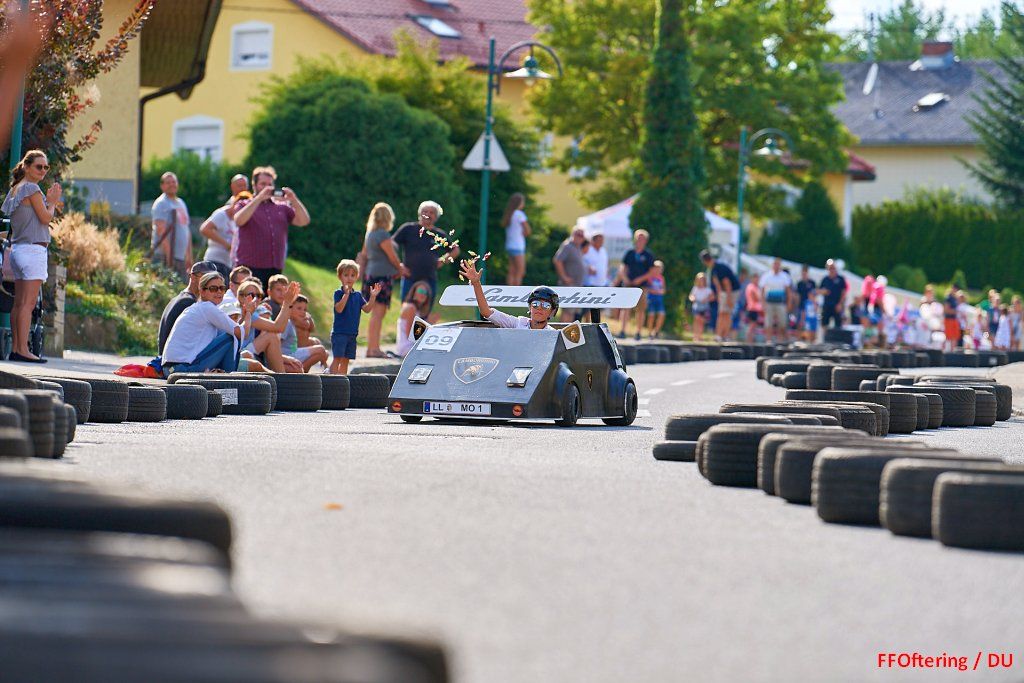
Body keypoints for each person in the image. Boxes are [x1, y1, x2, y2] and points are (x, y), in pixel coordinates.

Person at [1, 149, 61, 363]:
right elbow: (45, 218)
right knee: (28, 304)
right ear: (26, 167)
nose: (43, 170)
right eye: (39, 166)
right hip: (32, 250)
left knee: (19, 303)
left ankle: (17, 349)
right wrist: (52, 202)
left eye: (46, 167)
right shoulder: (31, 188)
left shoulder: (15, 189)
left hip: (18, 250)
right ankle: (23, 350)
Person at [232, 165, 311, 290]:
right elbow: (239, 220)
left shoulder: (282, 206)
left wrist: (294, 200)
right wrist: (259, 199)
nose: (267, 188)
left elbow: (304, 221)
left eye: (270, 184)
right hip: (249, 267)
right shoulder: (244, 203)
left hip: (274, 269)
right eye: (263, 184)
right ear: (254, 185)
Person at [161, 273, 254, 377]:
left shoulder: (199, 307)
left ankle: (222, 375)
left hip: (171, 369)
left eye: (222, 288)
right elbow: (242, 333)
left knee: (229, 336)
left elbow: (238, 330)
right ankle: (228, 380)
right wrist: (249, 313)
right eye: (213, 288)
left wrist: (244, 315)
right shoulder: (208, 308)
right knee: (230, 337)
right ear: (202, 291)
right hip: (181, 368)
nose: (219, 292)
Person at [358, 202, 406, 358]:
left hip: (371, 275)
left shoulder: (370, 234)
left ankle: (371, 348)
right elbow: (392, 257)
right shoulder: (382, 235)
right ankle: (374, 349)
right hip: (381, 276)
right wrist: (401, 269)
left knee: (375, 314)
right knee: (379, 313)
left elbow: (364, 255)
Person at [392, 200, 459, 307]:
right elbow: (391, 245)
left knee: (425, 311)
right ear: (420, 213)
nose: (428, 214)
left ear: (436, 217)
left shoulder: (439, 234)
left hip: (429, 278)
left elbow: (455, 250)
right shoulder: (408, 229)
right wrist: (398, 266)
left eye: (431, 212)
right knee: (407, 309)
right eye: (425, 211)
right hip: (409, 277)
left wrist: (442, 260)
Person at [460, 259, 556, 330]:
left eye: (546, 305)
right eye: (535, 304)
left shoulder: (553, 334)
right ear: (530, 307)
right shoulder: (517, 324)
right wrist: (476, 283)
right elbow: (486, 312)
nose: (539, 308)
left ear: (552, 312)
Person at [157, 260, 220, 356]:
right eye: (206, 277)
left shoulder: (181, 298)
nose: (211, 282)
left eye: (214, 278)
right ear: (193, 277)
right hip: (176, 360)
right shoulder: (187, 302)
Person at [330, 260, 382, 375]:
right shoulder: (338, 293)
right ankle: (331, 379)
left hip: (352, 334)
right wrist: (346, 295)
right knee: (337, 358)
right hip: (339, 333)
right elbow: (339, 309)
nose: (349, 278)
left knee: (346, 360)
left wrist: (372, 297)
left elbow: (367, 309)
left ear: (356, 277)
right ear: (340, 276)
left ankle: (342, 381)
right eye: (346, 275)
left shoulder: (358, 295)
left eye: (352, 275)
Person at [244, 277, 303, 373]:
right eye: (251, 295)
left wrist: (289, 303)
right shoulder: (263, 309)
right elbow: (278, 328)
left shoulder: (258, 310)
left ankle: (279, 377)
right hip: (244, 354)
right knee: (272, 336)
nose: (255, 299)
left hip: (256, 353)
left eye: (259, 296)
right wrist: (288, 302)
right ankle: (280, 377)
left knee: (296, 368)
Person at [200, 186, 250, 280]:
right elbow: (205, 229)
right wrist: (227, 245)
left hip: (228, 264)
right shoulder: (222, 214)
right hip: (214, 260)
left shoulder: (238, 220)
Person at [150, 172, 192, 278]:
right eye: (168, 183)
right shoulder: (161, 203)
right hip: (164, 256)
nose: (172, 185)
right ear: (162, 186)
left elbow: (186, 230)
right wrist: (169, 258)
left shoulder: (181, 203)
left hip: (180, 257)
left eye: (174, 182)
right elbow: (161, 231)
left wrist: (189, 257)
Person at [619, 230, 656, 339]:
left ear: (646, 241)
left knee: (641, 309)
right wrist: (625, 278)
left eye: (642, 239)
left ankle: (638, 332)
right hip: (628, 285)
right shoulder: (630, 253)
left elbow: (652, 272)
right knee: (625, 308)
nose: (640, 241)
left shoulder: (648, 255)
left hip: (642, 286)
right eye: (638, 238)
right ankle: (622, 330)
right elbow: (623, 267)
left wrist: (640, 279)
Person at [700, 249, 739, 341]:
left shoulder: (719, 268)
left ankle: (723, 335)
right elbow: (717, 285)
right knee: (722, 313)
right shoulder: (713, 269)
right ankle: (720, 335)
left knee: (726, 313)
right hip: (725, 292)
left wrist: (728, 299)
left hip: (731, 291)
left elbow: (727, 284)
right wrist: (719, 296)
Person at [281, 295, 329, 372]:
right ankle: (300, 371)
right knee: (321, 350)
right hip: (288, 354)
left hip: (294, 350)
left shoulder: (301, 321)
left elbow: (312, 328)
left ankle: (303, 371)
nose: (303, 312)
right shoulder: (287, 322)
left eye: (305, 309)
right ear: (290, 308)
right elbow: (277, 343)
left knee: (318, 345)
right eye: (299, 308)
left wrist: (309, 318)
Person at [553, 227, 587, 322]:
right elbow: (557, 260)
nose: (580, 237)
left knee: (572, 312)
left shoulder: (578, 247)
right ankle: (563, 330)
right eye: (578, 234)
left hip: (577, 285)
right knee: (567, 311)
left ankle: (569, 330)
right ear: (573, 234)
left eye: (582, 235)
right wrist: (564, 277)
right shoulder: (567, 246)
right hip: (569, 285)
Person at [395, 280, 434, 357]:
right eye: (420, 291)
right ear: (414, 293)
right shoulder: (411, 308)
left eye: (425, 293)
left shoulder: (415, 308)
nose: (423, 294)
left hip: (408, 347)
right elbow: (411, 335)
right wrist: (428, 324)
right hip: (407, 348)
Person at [760, 257, 792, 343]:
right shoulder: (766, 276)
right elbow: (762, 291)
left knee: (782, 323)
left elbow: (788, 291)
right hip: (769, 302)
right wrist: (763, 303)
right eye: (775, 264)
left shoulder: (784, 276)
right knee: (768, 323)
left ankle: (780, 340)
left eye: (778, 264)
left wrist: (789, 303)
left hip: (780, 302)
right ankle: (768, 340)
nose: (776, 266)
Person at [582, 230, 609, 324]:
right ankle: (587, 323)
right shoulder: (588, 250)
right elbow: (582, 261)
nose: (601, 242)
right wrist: (588, 268)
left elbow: (605, 264)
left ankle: (596, 324)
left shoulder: (603, 250)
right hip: (590, 282)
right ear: (593, 240)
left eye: (602, 240)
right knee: (588, 306)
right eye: (599, 240)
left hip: (601, 283)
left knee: (598, 306)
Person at [503, 193, 531, 285]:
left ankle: (509, 288)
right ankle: (516, 289)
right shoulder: (519, 214)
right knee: (520, 271)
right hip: (518, 246)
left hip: (509, 245)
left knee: (512, 270)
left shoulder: (509, 213)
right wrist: (524, 233)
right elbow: (528, 230)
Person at [818, 259, 847, 330]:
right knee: (824, 324)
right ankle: (825, 336)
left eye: (833, 268)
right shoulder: (825, 279)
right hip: (827, 305)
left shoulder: (840, 279)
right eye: (830, 268)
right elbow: (819, 290)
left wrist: (840, 304)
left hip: (837, 305)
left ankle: (837, 336)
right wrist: (823, 291)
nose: (832, 270)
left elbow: (843, 293)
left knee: (838, 325)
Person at [645, 260, 667, 339]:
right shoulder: (649, 277)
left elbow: (663, 289)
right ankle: (650, 332)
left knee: (662, 314)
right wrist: (653, 291)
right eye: (656, 268)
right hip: (651, 298)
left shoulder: (661, 278)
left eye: (659, 269)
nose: (657, 270)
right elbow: (647, 288)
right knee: (651, 315)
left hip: (659, 299)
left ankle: (656, 331)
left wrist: (660, 291)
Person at [794, 265, 816, 342]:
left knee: (810, 325)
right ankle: (799, 340)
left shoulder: (812, 283)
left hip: (810, 307)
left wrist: (813, 305)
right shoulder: (799, 283)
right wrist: (797, 306)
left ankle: (811, 340)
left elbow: (814, 295)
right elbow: (798, 296)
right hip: (801, 306)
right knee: (800, 323)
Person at [688, 272, 713, 341]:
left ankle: (699, 336)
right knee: (696, 319)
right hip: (696, 306)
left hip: (704, 307)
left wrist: (706, 299)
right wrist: (693, 298)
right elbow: (691, 296)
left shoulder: (707, 289)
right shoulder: (695, 288)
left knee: (701, 322)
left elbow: (712, 297)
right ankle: (695, 336)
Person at [744, 272, 763, 342]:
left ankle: (751, 340)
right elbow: (756, 298)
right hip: (752, 308)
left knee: (753, 326)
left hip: (754, 308)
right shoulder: (751, 287)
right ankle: (748, 340)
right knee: (752, 326)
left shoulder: (754, 287)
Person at [943, 285, 961, 350]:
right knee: (948, 336)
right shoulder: (948, 298)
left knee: (955, 336)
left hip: (954, 319)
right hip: (948, 319)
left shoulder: (955, 299)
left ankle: (952, 350)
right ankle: (946, 350)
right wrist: (955, 311)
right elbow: (946, 310)